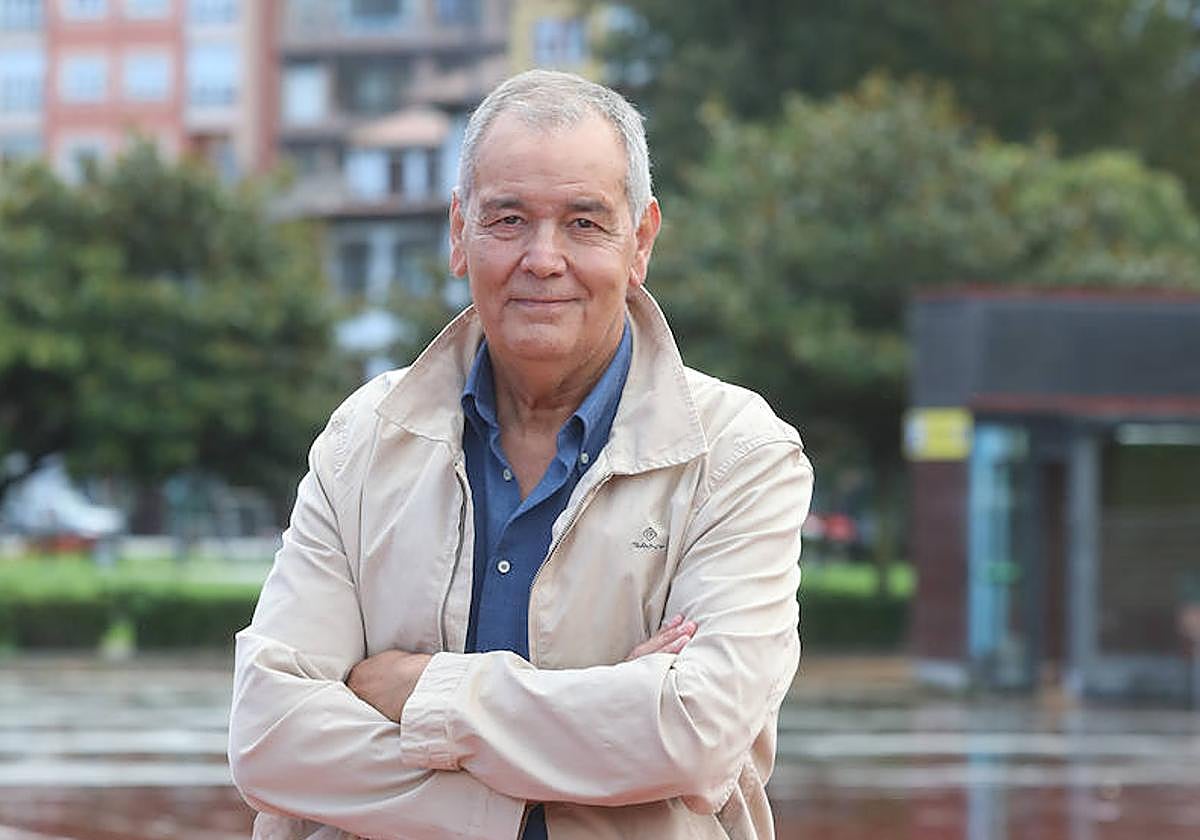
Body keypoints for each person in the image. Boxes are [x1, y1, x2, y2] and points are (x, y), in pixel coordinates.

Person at [228, 69, 813, 840]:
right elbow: (270, 740)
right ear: (458, 234)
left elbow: (695, 735)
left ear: (641, 241)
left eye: (583, 222)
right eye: (508, 220)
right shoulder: (363, 440)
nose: (542, 258)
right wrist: (585, 749)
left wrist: (424, 693)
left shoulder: (737, 455)